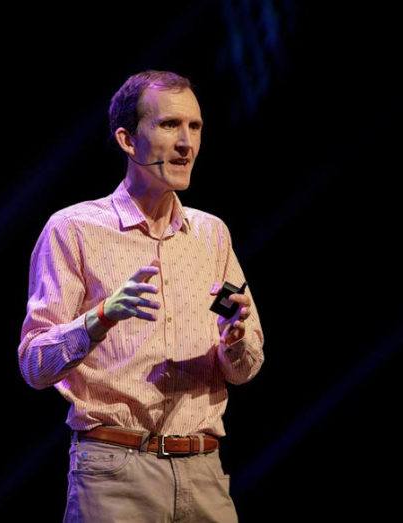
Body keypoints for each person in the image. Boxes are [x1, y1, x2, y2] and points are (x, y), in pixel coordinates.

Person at [18, 70, 264, 522]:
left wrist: (235, 343)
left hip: (205, 472)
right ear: (128, 140)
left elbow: (246, 368)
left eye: (195, 127)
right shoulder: (74, 230)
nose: (186, 143)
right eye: (170, 125)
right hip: (115, 476)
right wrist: (100, 317)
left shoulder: (211, 235)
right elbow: (34, 364)